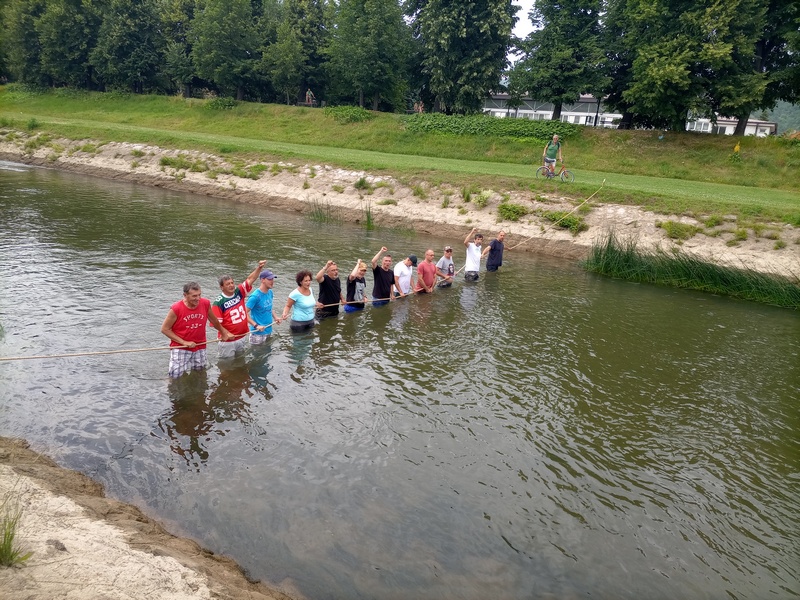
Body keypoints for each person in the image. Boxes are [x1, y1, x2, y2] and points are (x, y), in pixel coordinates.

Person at [161, 282, 233, 378]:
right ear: (185, 295)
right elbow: (165, 329)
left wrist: (224, 333)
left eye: (199, 295)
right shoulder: (176, 308)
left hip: (200, 345)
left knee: (200, 373)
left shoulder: (205, 303)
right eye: (194, 296)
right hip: (180, 347)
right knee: (175, 376)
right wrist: (183, 342)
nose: (198, 298)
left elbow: (214, 320)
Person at [212, 260, 266, 359]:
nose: (231, 285)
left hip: (241, 337)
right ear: (221, 287)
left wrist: (259, 268)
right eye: (228, 284)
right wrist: (225, 333)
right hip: (228, 341)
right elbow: (215, 323)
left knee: (240, 361)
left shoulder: (239, 292)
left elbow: (251, 279)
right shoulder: (218, 303)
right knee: (227, 365)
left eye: (232, 283)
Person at [246, 269, 282, 345]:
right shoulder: (255, 296)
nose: (272, 281)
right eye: (269, 279)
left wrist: (276, 317)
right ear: (262, 280)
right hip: (257, 334)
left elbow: (269, 307)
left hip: (268, 330)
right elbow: (243, 314)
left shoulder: (270, 293)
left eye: (272, 279)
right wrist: (256, 325)